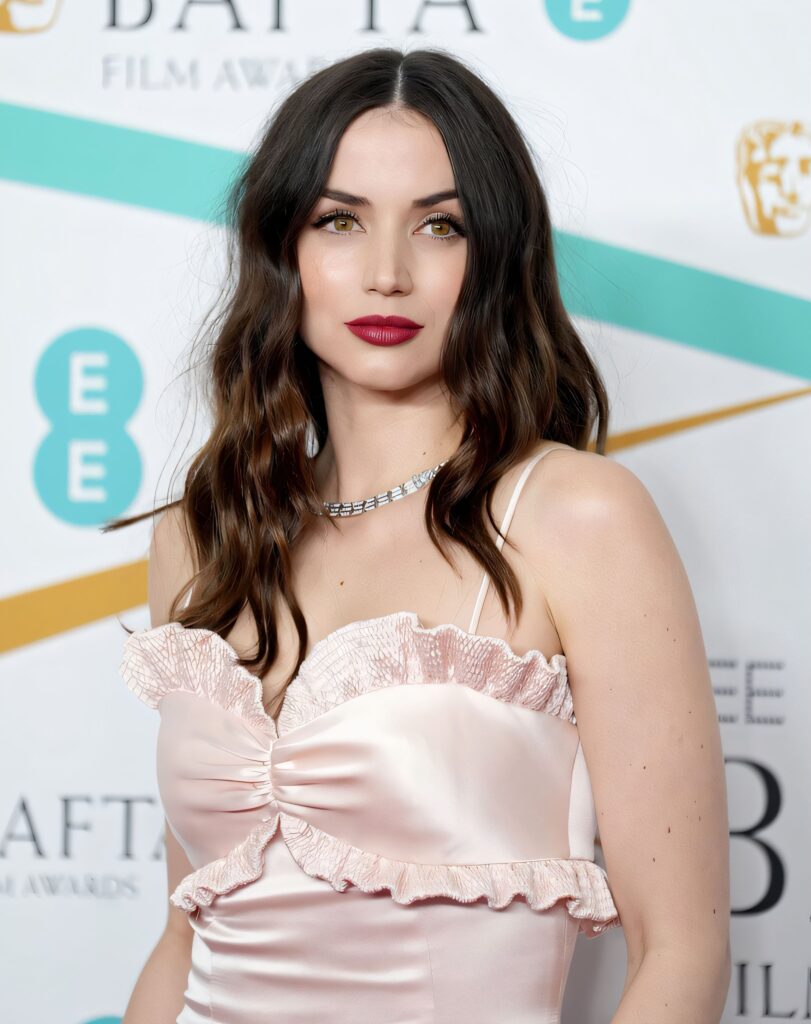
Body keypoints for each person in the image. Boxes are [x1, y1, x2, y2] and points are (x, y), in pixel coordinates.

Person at [107, 46, 730, 1024]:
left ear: (495, 255)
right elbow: (184, 938)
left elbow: (679, 955)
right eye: (340, 220)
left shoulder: (577, 518)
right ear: (285, 247)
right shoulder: (205, 533)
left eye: (440, 225)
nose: (387, 273)